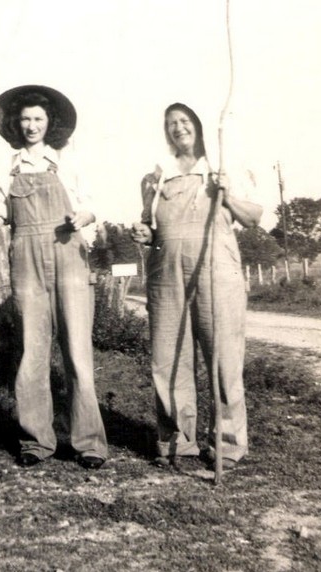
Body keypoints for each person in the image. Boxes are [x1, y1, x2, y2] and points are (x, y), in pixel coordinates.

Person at [0, 85, 108, 469]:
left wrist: (82, 217)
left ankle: (89, 444)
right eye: (25, 118)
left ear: (50, 123)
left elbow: (91, 207)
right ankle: (36, 441)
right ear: (16, 123)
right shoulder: (7, 170)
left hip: (68, 255)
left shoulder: (66, 163)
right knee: (31, 351)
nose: (31, 125)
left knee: (77, 351)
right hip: (26, 261)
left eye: (38, 118)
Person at [131, 102, 262, 470]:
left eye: (185, 120)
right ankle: (177, 442)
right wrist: (143, 233)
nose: (178, 128)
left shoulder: (223, 168)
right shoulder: (157, 176)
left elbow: (253, 218)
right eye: (171, 123)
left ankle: (228, 444)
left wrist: (227, 194)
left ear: (200, 126)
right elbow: (151, 228)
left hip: (216, 272)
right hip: (165, 275)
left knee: (224, 358)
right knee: (168, 358)